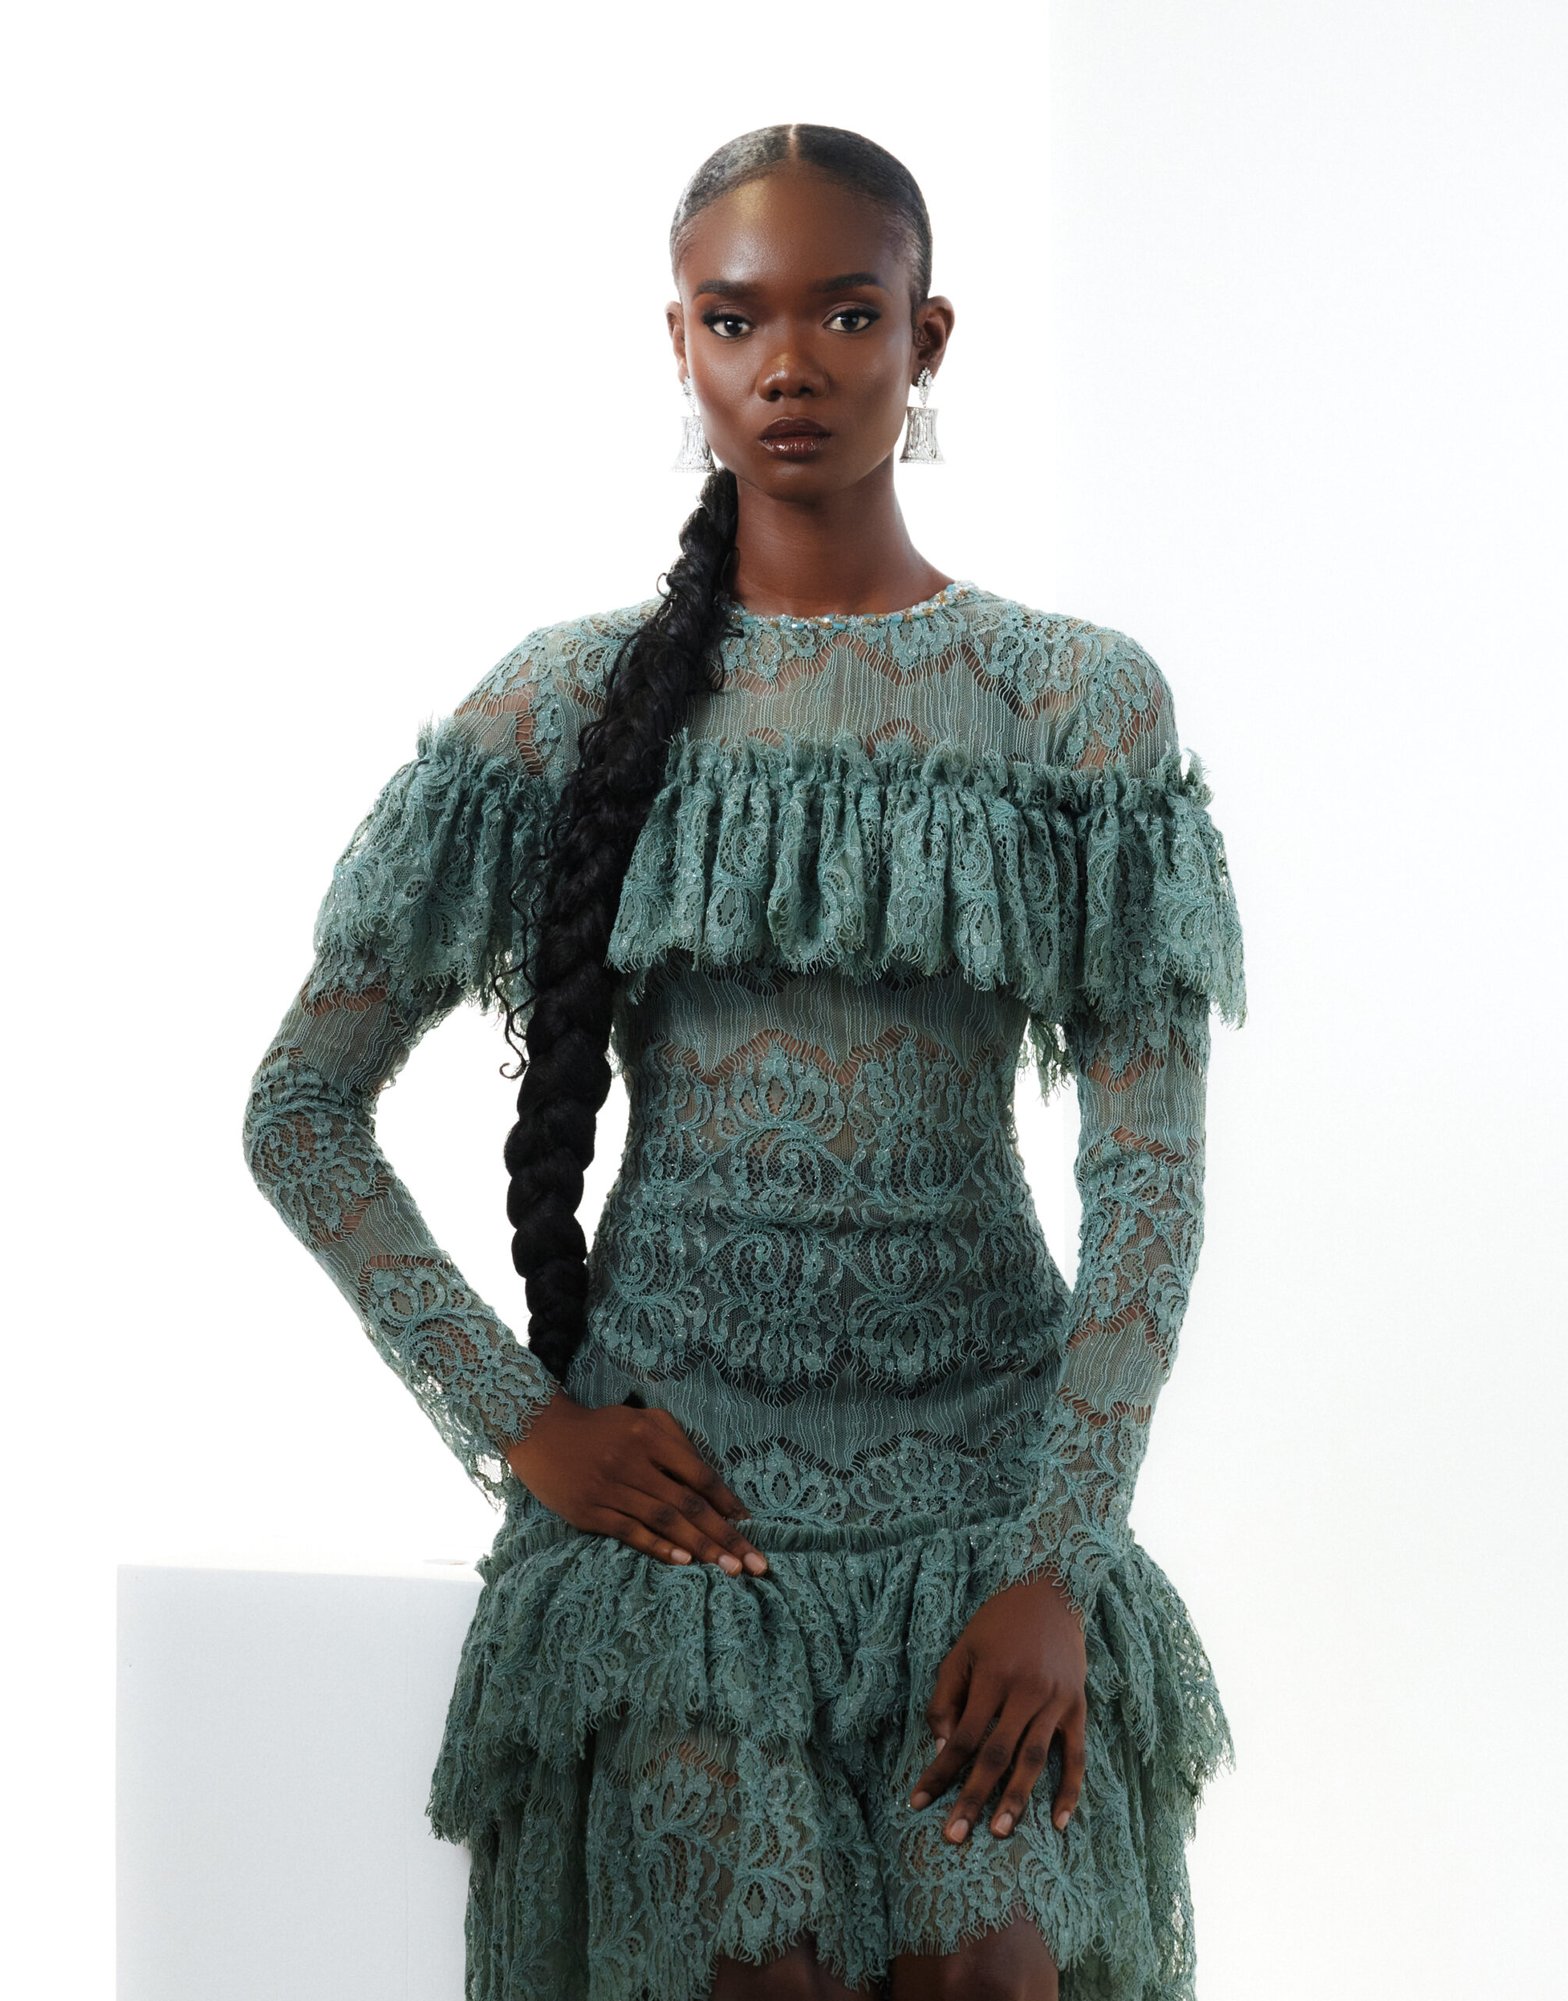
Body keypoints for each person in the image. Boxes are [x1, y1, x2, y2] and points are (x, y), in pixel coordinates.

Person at [241, 123, 1247, 2001]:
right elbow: (299, 1112)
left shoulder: (1073, 704)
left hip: (990, 1506)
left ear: (927, 338)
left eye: (848, 314)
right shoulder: (566, 697)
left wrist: (1061, 1560)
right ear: (680, 344)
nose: (791, 363)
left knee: (990, 1974)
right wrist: (525, 1425)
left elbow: (1152, 1186)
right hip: (682, 1529)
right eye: (737, 318)